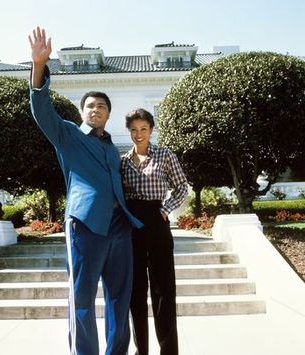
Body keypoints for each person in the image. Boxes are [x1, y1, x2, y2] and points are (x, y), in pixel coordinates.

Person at [29, 27, 142, 355]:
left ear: (108, 114)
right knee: (81, 300)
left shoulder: (111, 148)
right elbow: (41, 109)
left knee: (120, 298)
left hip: (120, 228)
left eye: (102, 107)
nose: (95, 110)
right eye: (90, 106)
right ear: (82, 112)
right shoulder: (67, 135)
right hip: (85, 225)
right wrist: (39, 66)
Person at [121, 108, 188, 355]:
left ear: (151, 130)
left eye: (144, 129)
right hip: (132, 227)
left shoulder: (164, 155)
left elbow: (182, 187)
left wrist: (165, 209)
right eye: (134, 130)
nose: (139, 134)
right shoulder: (123, 161)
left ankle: (168, 351)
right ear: (129, 132)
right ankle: (142, 351)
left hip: (157, 222)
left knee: (163, 291)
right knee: (135, 293)